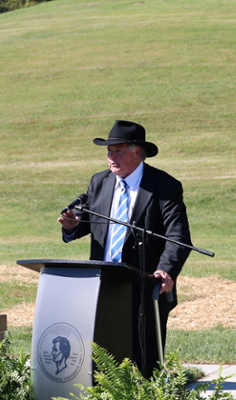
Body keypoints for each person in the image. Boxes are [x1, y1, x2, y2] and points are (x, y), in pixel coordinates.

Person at [58, 120, 191, 377]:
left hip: (144, 286)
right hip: (102, 284)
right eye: (108, 151)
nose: (111, 156)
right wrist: (72, 226)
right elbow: (90, 224)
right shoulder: (99, 182)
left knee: (145, 365)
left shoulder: (164, 186)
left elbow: (178, 236)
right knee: (101, 363)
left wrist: (166, 271)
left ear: (138, 152)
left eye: (118, 150)